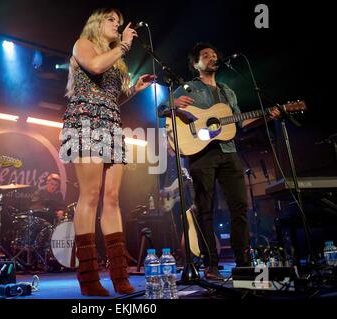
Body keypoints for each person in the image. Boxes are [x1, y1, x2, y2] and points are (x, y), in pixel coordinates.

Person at [159, 43, 279, 280]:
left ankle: (243, 263)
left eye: (214, 55)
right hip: (201, 153)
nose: (213, 57)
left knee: (240, 207)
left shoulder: (228, 93)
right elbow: (162, 109)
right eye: (206, 55)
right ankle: (210, 264)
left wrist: (265, 115)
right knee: (205, 209)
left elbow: (238, 122)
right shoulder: (189, 88)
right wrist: (172, 105)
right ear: (196, 64)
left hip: (228, 150)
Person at [59, 8, 155, 296]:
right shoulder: (83, 44)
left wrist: (134, 90)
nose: (116, 24)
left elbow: (110, 97)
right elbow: (96, 68)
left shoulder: (116, 59)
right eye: (111, 20)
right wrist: (124, 45)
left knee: (112, 199)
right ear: (96, 23)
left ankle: (118, 275)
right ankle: (88, 278)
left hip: (111, 123)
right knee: (89, 196)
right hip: (85, 121)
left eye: (118, 20)